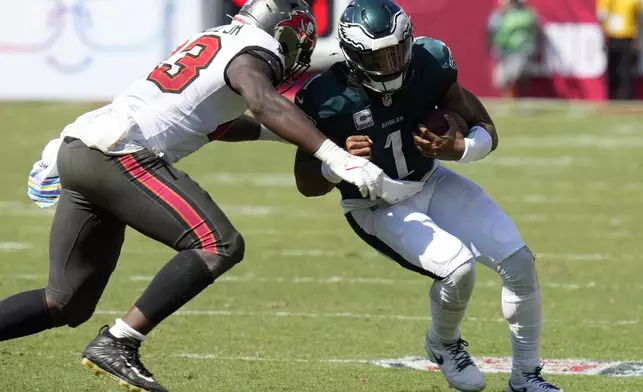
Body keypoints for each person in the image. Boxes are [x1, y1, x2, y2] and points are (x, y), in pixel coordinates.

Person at [0, 1, 406, 391]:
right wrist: (334, 155)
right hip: (119, 154)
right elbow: (262, 102)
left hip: (82, 148)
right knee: (219, 244)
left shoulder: (218, 39)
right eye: (297, 40)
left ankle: (116, 340)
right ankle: (121, 341)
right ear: (282, 30)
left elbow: (215, 122)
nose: (297, 51)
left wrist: (284, 136)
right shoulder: (256, 48)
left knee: (65, 301)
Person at [292, 0, 562, 391]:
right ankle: (444, 343)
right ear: (353, 56)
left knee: (519, 263)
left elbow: (485, 127)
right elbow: (305, 182)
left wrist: (461, 150)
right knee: (458, 269)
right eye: (379, 57)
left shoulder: (430, 62)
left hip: (430, 180)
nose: (392, 63)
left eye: (398, 50)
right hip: (375, 203)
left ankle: (526, 377)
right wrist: (336, 162)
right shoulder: (326, 96)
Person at [487, 0, 539, 98]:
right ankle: (508, 100)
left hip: (520, 51)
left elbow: (532, 26)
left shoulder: (526, 14)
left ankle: (517, 99)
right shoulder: (498, 16)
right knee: (503, 80)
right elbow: (491, 31)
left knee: (516, 76)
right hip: (503, 51)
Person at [597, 0, 641, 100]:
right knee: (612, 70)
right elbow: (601, 16)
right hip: (611, 37)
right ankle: (611, 97)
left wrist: (637, 40)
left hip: (628, 37)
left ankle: (625, 98)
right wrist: (603, 37)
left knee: (625, 70)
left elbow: (638, 17)